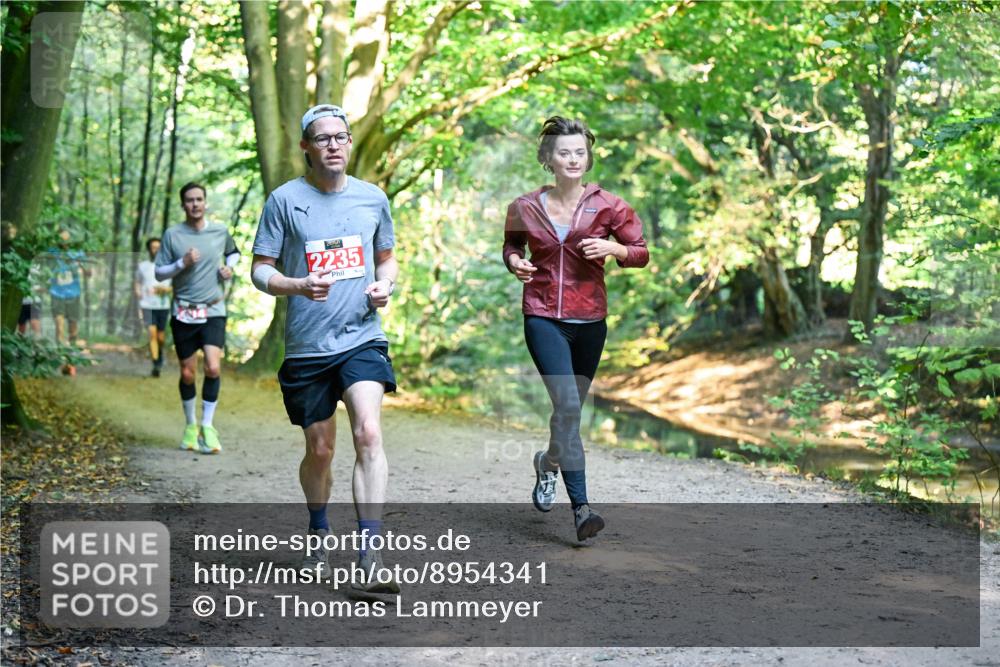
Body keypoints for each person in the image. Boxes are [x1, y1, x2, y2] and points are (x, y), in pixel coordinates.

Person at [250, 104, 399, 597]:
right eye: (324, 138)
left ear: (350, 143)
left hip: (362, 336)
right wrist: (294, 285)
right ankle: (318, 531)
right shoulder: (284, 200)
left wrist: (385, 287)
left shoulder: (373, 198)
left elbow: (387, 259)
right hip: (307, 347)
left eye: (342, 137)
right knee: (320, 449)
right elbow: (260, 269)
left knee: (369, 432)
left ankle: (370, 555)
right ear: (306, 147)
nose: (334, 145)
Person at [502, 116, 649, 541]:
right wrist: (515, 262)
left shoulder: (610, 206)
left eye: (579, 152)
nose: (573, 158)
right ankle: (582, 509)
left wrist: (613, 247)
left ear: (588, 156)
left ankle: (547, 463)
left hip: (590, 321)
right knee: (567, 409)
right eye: (563, 152)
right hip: (543, 314)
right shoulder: (525, 206)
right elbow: (512, 246)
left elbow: (640, 253)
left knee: (570, 413)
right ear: (548, 158)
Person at [155, 183, 239, 454]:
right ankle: (191, 424)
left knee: (213, 368)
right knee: (188, 372)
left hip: (213, 309)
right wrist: (182, 263)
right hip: (183, 311)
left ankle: (207, 426)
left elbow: (234, 252)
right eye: (190, 200)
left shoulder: (219, 231)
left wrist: (230, 269)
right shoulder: (173, 235)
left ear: (205, 202)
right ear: (183, 205)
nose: (195, 204)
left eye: (199, 199)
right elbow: (159, 273)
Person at [47, 228, 90, 375]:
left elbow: (88, 273)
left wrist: (83, 266)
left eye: (66, 239)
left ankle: (70, 360)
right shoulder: (51, 252)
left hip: (74, 295)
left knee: (73, 330)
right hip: (56, 294)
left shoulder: (77, 252)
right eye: (61, 239)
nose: (64, 242)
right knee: (59, 327)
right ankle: (62, 360)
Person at [135, 237, 172, 377]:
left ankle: (160, 354)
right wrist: (138, 291)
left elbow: (176, 286)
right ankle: (156, 363)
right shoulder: (142, 266)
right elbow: (137, 282)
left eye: (158, 247)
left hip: (163, 306)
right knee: (151, 334)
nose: (156, 250)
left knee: (160, 337)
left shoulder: (170, 266)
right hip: (147, 305)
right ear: (149, 249)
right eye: (153, 247)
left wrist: (165, 290)